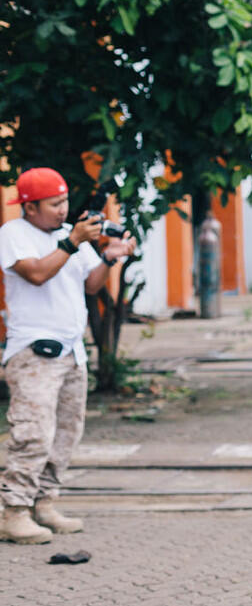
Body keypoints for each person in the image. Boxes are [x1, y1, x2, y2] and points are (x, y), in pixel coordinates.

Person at [0, 168, 137, 544]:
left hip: (72, 353)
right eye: (55, 204)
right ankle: (13, 512)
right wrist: (74, 241)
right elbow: (37, 274)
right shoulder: (13, 235)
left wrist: (111, 257)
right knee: (33, 434)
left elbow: (90, 284)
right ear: (29, 207)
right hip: (34, 353)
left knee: (65, 434)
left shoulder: (65, 235)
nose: (64, 210)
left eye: (64, 202)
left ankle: (44, 503)